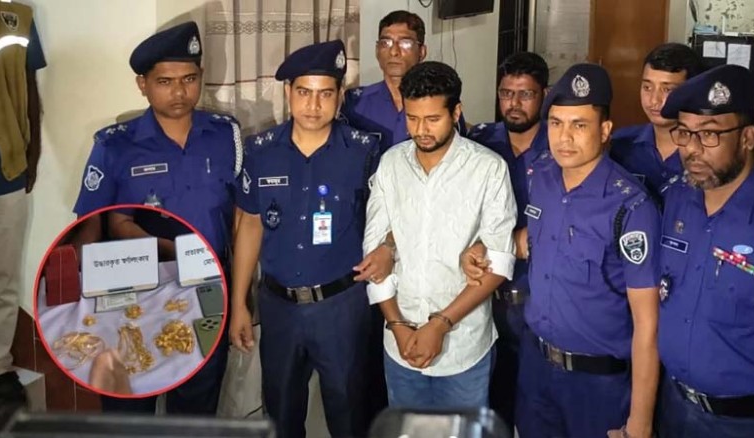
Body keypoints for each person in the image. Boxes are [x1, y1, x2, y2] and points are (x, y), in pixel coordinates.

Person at [465, 63, 662, 437]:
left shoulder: (631, 207)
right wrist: (481, 248)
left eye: (579, 125)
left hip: (597, 384)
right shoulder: (542, 178)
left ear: (605, 130)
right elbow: (535, 239)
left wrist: (640, 421)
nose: (564, 137)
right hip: (536, 369)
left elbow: (647, 325)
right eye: (556, 123)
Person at [73, 21, 239, 414]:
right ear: (142, 84)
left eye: (189, 79)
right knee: (130, 409)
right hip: (134, 297)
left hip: (205, 292)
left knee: (197, 407)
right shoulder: (115, 145)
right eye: (165, 81)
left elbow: (241, 215)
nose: (179, 92)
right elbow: (89, 224)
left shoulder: (225, 135)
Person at [229, 40, 379, 438]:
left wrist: (388, 249)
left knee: (349, 414)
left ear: (340, 95)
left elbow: (388, 221)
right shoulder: (260, 151)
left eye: (325, 93)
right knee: (280, 413)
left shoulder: (364, 152)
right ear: (287, 92)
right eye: (304, 92)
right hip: (279, 307)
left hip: (341, 306)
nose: (313, 105)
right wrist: (239, 302)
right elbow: (250, 225)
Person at [363, 60, 517, 410]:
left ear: (456, 112)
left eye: (433, 119)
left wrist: (441, 325)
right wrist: (397, 325)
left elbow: (498, 262)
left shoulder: (488, 169)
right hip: (400, 344)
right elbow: (374, 254)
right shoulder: (391, 164)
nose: (421, 130)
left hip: (463, 347)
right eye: (412, 118)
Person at [656, 64, 754, 438]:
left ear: (747, 138)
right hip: (672, 407)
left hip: (745, 424)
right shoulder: (674, 200)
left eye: (709, 134)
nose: (692, 149)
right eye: (684, 132)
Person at [465, 51, 549, 433]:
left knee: (535, 411)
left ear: (543, 94)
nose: (514, 103)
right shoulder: (480, 142)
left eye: (525, 94)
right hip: (486, 299)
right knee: (492, 408)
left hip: (539, 300)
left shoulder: (560, 146)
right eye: (506, 93)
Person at [0, 1, 45, 407]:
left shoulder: (17, 18)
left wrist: (34, 152)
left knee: (5, 276)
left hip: (6, 168)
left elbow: (29, 84)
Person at [340, 10, 466, 153]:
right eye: (385, 43)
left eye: (405, 43)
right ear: (377, 50)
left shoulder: (439, 101)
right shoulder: (354, 102)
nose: (394, 51)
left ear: (422, 52)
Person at [609, 43, 703, 199]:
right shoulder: (620, 145)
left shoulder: (706, 152)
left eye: (667, 89)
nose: (654, 100)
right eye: (647, 87)